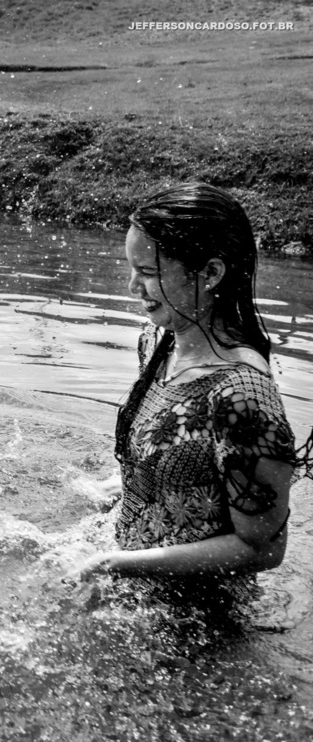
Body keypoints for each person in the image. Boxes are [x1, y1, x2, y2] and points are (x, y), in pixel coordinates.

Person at [70, 182, 300, 593]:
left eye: (148, 272)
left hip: (200, 616)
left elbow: (262, 549)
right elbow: (189, 461)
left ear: (210, 273)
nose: (132, 287)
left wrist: (115, 564)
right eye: (132, 269)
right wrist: (128, 484)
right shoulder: (159, 343)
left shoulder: (241, 396)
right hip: (134, 587)